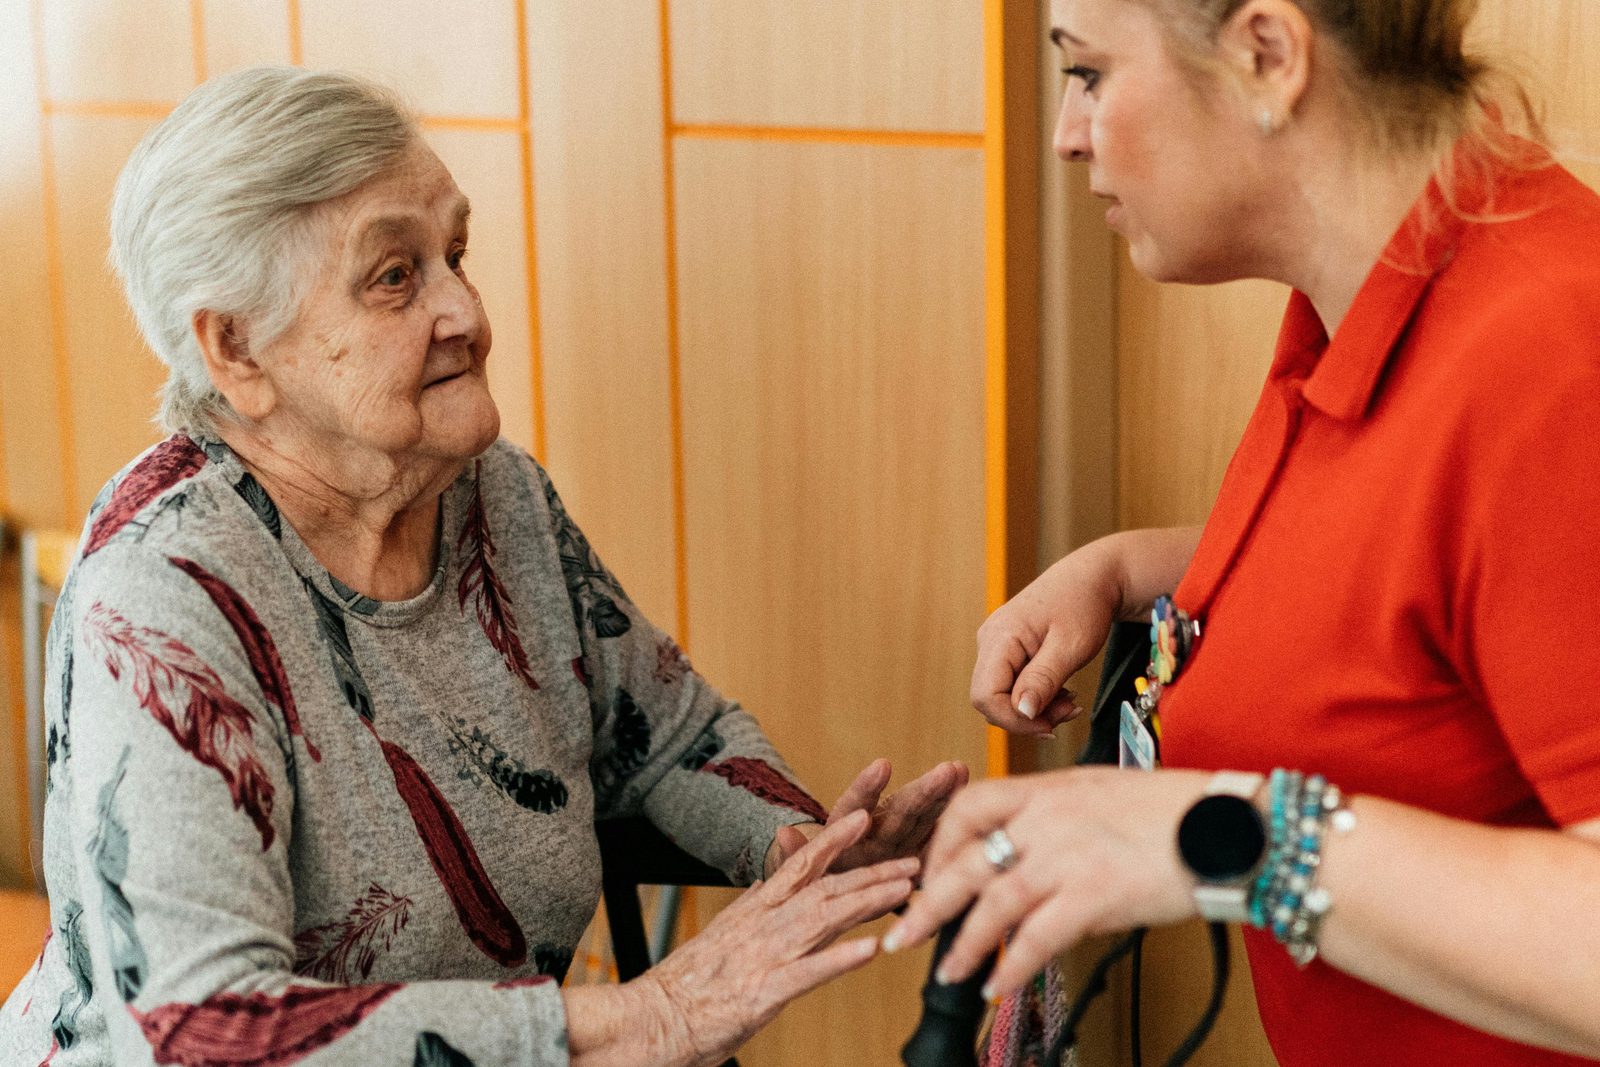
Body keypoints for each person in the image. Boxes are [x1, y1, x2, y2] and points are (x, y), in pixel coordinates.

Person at [0, 66, 967, 1066]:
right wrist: (648, 1015)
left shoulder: (492, 497)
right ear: (238, 350)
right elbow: (205, 1033)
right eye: (394, 276)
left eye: (455, 254)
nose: (465, 309)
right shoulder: (165, 595)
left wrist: (798, 849)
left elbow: (670, 737)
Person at [885, 0, 1600, 1064]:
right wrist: (1133, 568)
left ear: (1267, 54)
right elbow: (1423, 571)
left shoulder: (1551, 352)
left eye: (1086, 74)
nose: (1065, 134)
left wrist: (1216, 834)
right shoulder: (1380, 289)